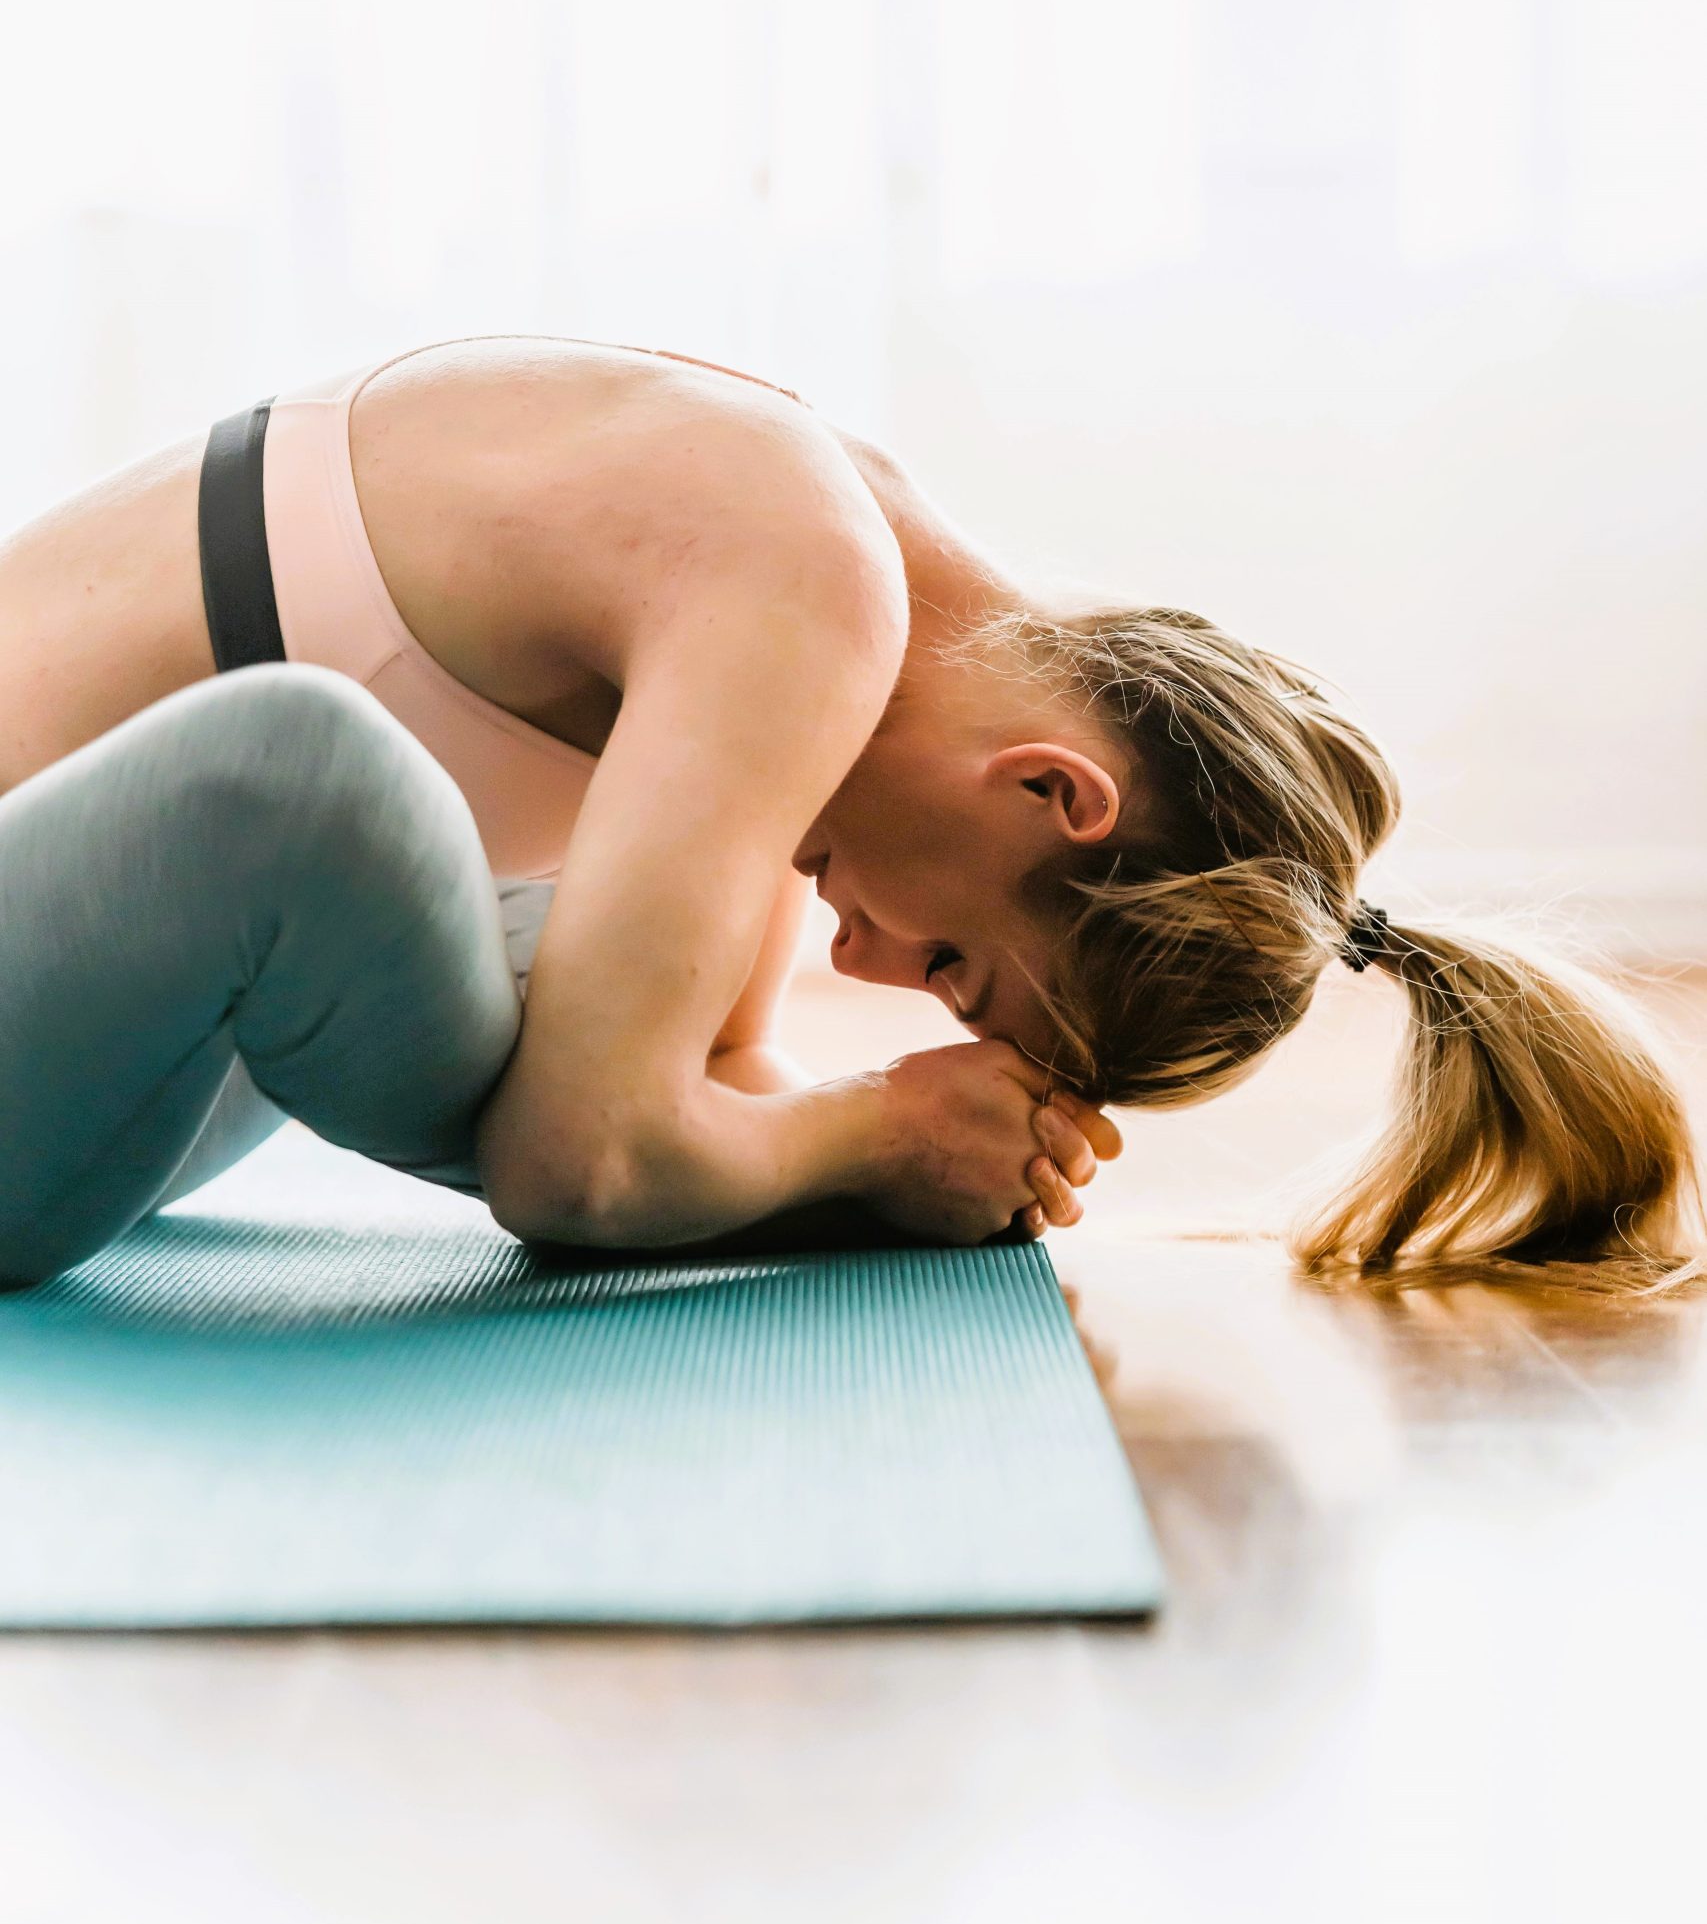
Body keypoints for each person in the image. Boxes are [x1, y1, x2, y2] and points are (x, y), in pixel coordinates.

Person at [0, 334, 1694, 1295]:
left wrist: (835, 1150)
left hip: (95, 1058)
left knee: (558, 981)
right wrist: (877, 1133)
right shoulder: (800, 572)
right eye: (958, 958)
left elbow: (703, 1080)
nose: (869, 962)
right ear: (1053, 792)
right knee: (316, 779)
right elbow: (583, 1154)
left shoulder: (839, 590)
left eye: (934, 984)